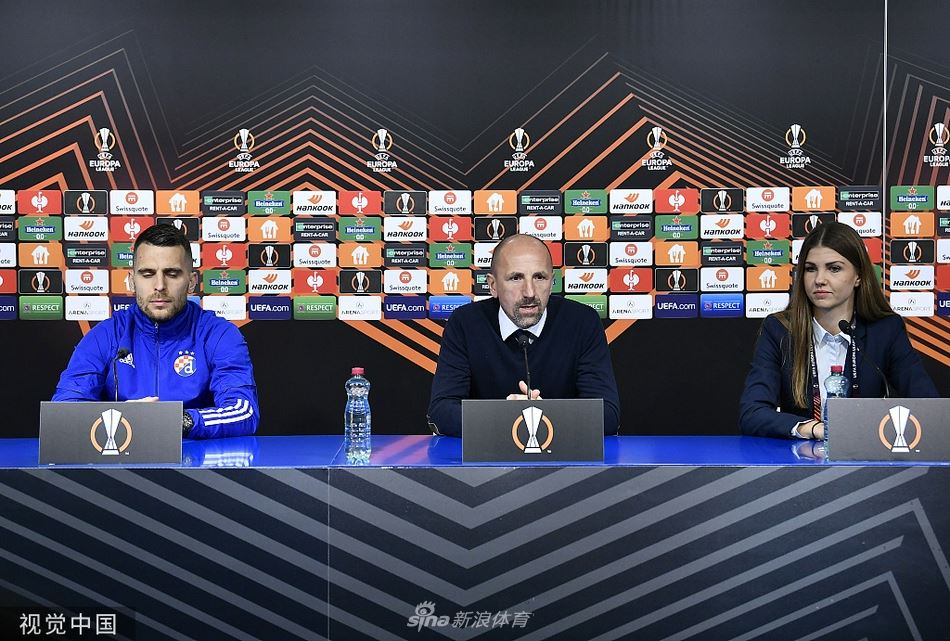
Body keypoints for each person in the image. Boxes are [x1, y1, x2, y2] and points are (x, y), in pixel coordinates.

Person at [53, 224, 259, 439]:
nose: (159, 285)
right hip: (121, 454)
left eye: (172, 273)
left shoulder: (219, 335)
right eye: (147, 274)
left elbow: (244, 411)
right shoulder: (105, 335)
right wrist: (122, 417)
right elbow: (64, 411)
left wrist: (177, 421)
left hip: (197, 457)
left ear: (191, 282)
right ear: (132, 281)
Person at [739, 221, 938, 439]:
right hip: (797, 457)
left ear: (858, 276)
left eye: (834, 268)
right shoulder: (780, 329)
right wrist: (813, 429)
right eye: (810, 269)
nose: (819, 280)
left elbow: (929, 406)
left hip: (866, 454)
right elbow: (752, 413)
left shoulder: (885, 330)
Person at [427, 233, 621, 437]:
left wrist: (542, 416)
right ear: (493, 286)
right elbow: (441, 412)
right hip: (487, 456)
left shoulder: (582, 322)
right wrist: (508, 417)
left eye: (539, 277)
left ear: (552, 282)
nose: (529, 292)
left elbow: (607, 415)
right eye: (516, 278)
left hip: (565, 456)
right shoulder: (465, 323)